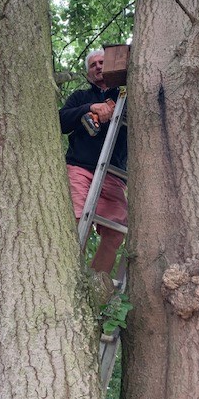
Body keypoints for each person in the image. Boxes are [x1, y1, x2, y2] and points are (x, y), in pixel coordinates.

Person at [59, 49, 127, 278]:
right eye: (93, 65)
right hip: (80, 168)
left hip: (114, 174)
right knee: (78, 222)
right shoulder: (80, 97)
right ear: (88, 74)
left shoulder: (126, 95)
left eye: (102, 62)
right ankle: (67, 278)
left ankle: (97, 285)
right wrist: (90, 108)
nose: (98, 66)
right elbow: (61, 121)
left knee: (116, 232)